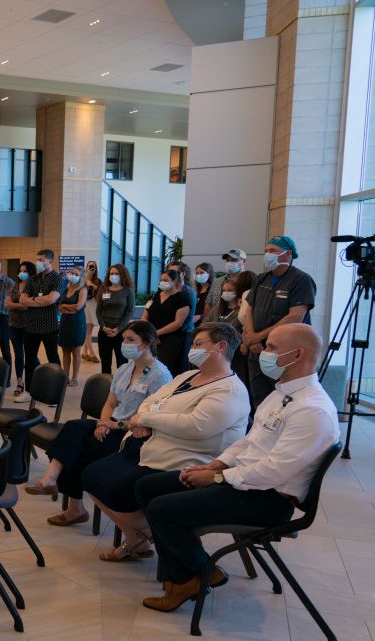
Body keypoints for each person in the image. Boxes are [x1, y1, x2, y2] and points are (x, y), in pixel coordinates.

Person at [135, 324, 339, 612]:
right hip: (245, 481)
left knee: (161, 509)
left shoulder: (313, 410)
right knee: (148, 486)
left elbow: (274, 471)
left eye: (271, 348)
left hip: (268, 499)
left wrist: (217, 477)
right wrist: (215, 464)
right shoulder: (280, 394)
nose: (261, 352)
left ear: (299, 354)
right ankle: (192, 572)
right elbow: (250, 442)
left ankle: (190, 576)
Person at [81, 323, 250, 561]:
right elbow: (152, 399)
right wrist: (145, 418)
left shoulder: (229, 390)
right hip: (150, 448)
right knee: (91, 475)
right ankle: (139, 536)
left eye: (199, 344)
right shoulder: (189, 375)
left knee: (119, 487)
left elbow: (195, 425)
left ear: (220, 347)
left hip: (185, 460)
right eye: (193, 344)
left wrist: (149, 419)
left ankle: (154, 532)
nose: (193, 349)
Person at [26, 322, 172, 527]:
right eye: (124, 339)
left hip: (132, 434)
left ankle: (72, 505)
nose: (125, 343)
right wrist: (103, 423)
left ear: (147, 343)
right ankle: (52, 479)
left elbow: (151, 420)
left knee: (76, 449)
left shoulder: (160, 375)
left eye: (131, 340)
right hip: (112, 425)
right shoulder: (125, 368)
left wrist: (114, 426)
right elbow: (110, 402)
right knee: (73, 428)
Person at [242, 235, 316, 411]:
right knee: (258, 399)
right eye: (266, 251)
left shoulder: (301, 280)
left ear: (288, 253)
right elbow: (249, 310)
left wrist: (258, 337)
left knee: (282, 399)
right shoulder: (261, 279)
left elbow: (295, 317)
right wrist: (251, 338)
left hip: (283, 353)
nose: (268, 254)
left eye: (273, 251)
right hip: (256, 350)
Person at [15, 249, 64, 402]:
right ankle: (29, 391)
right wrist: (40, 300)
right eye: (37, 260)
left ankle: (56, 393)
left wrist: (33, 300)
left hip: (49, 326)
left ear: (50, 261)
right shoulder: (33, 279)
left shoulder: (57, 279)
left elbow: (51, 300)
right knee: (29, 360)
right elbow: (22, 299)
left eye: (41, 260)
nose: (38, 263)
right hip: (31, 325)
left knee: (53, 359)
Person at [204, 274, 252, 388]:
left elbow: (238, 331)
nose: (226, 293)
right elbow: (205, 324)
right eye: (224, 290)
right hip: (215, 350)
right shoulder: (217, 308)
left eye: (230, 290)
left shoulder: (241, 310)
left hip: (235, 353)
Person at [142, 269, 191, 376]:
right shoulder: (154, 296)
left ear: (174, 281)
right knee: (148, 366)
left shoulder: (182, 298)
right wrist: (150, 333)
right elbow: (145, 316)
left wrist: (156, 333)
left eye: (166, 280)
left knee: (165, 368)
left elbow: (178, 323)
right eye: (161, 280)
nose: (162, 282)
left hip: (170, 339)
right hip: (151, 337)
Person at [97, 263, 136, 373]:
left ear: (122, 275)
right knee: (105, 362)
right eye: (111, 273)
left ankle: (121, 387)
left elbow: (129, 312)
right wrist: (103, 326)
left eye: (116, 273)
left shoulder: (128, 290)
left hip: (121, 332)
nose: (113, 275)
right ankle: (106, 385)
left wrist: (118, 329)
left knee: (122, 363)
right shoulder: (104, 289)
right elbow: (98, 310)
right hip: (104, 331)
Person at [5, 261, 36, 397]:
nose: (22, 273)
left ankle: (35, 379)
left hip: (29, 325)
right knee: (18, 354)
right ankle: (19, 382)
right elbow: (7, 303)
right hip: (14, 325)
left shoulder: (33, 286)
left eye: (25, 271)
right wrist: (20, 304)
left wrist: (15, 304)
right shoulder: (14, 286)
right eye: (20, 271)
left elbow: (28, 306)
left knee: (31, 355)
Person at [58, 265, 88, 387]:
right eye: (72, 273)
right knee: (65, 351)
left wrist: (66, 307)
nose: (73, 276)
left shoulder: (82, 290)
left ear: (81, 277)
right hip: (65, 323)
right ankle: (65, 376)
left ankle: (74, 378)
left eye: (76, 274)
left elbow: (78, 307)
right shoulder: (65, 289)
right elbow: (59, 307)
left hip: (77, 323)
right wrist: (68, 308)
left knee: (75, 350)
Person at [168, 261, 197, 369]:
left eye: (174, 272)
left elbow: (178, 323)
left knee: (178, 369)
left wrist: (157, 332)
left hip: (180, 337)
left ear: (183, 274)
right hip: (165, 336)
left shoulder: (187, 293)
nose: (171, 275)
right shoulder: (166, 291)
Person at [81, 260, 102, 364]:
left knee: (89, 330)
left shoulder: (98, 280)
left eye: (93, 266)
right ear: (86, 267)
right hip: (85, 305)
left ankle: (84, 352)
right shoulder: (83, 279)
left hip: (94, 305)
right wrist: (86, 280)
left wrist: (93, 285)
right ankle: (92, 353)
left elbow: (102, 292)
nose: (91, 268)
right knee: (88, 331)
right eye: (89, 266)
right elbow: (78, 290)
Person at [193, 261, 214, 328]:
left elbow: (214, 309)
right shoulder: (196, 290)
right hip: (195, 324)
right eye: (197, 273)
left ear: (209, 274)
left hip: (206, 323)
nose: (199, 275)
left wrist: (200, 316)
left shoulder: (213, 289)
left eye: (202, 273)